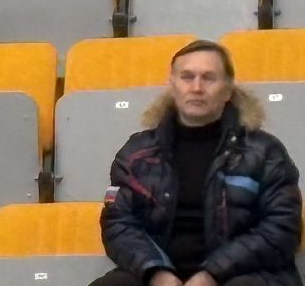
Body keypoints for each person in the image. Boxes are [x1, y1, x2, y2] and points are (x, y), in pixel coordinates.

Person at [93, 39, 302, 286]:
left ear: (228, 90)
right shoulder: (136, 153)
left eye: (209, 78)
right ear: (172, 85)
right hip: (159, 277)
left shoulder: (265, 152)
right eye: (187, 77)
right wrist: (156, 272)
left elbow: (282, 228)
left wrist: (212, 274)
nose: (196, 87)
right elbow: (118, 223)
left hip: (243, 276)